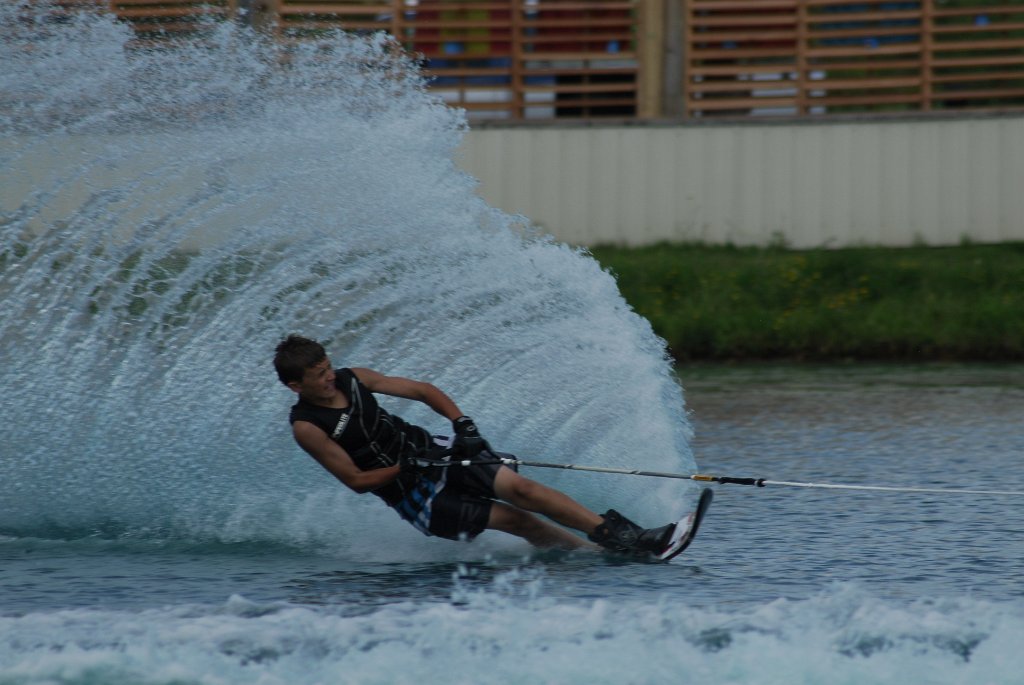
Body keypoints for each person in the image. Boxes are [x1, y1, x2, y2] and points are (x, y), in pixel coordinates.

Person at [273, 334, 675, 553]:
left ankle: (622, 537)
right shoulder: (308, 427)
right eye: (318, 376)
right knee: (518, 521)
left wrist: (462, 424)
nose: (329, 377)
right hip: (413, 495)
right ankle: (593, 556)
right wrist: (404, 469)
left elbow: (423, 390)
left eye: (328, 368)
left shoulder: (354, 378)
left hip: (437, 453)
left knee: (523, 489)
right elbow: (356, 481)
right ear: (296, 385)